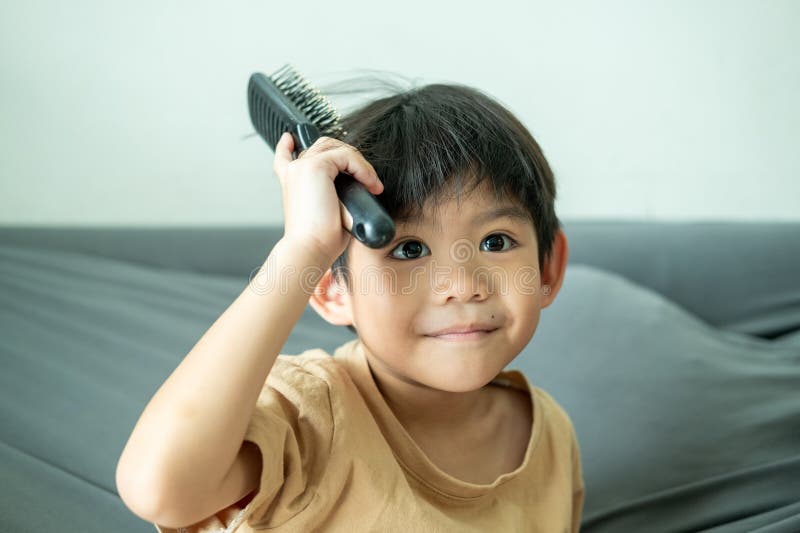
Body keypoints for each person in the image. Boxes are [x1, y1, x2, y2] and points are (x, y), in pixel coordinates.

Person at [116, 80, 584, 532]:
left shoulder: (549, 434)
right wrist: (303, 249)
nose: (461, 286)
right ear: (330, 290)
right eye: (409, 249)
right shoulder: (306, 416)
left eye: (495, 241)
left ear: (547, 269)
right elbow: (159, 489)